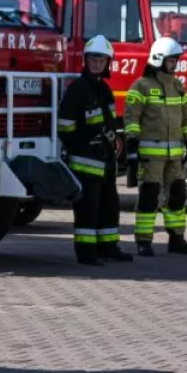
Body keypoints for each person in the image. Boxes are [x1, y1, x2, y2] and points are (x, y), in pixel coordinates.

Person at [59, 35, 134, 266]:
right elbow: (65, 126)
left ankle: (108, 246)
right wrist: (83, 144)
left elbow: (110, 123)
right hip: (84, 162)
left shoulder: (104, 90)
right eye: (93, 59)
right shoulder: (77, 90)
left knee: (109, 206)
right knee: (87, 210)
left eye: (101, 60)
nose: (97, 64)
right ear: (86, 60)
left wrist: (115, 145)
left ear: (107, 63)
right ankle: (86, 253)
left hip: (105, 160)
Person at [122, 36, 187, 256]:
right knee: (149, 196)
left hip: (174, 156)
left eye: (176, 61)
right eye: (171, 61)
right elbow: (132, 117)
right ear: (158, 59)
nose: (174, 65)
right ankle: (144, 241)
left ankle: (177, 238)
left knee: (177, 195)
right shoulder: (141, 86)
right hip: (150, 156)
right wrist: (132, 144)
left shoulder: (178, 87)